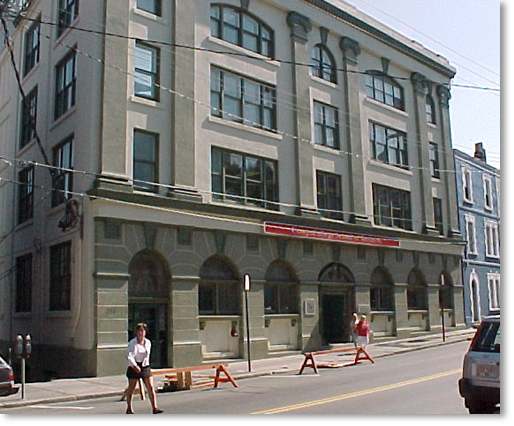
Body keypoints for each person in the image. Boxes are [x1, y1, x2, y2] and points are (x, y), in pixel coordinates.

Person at [125, 323, 163, 415]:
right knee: (131, 388)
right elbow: (129, 356)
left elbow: (147, 355)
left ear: (145, 332)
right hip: (134, 366)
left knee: (150, 387)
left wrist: (144, 365)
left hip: (145, 365)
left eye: (143, 331)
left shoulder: (148, 342)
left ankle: (155, 407)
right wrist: (135, 366)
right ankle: (129, 407)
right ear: (136, 333)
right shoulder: (132, 343)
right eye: (139, 331)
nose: (141, 333)